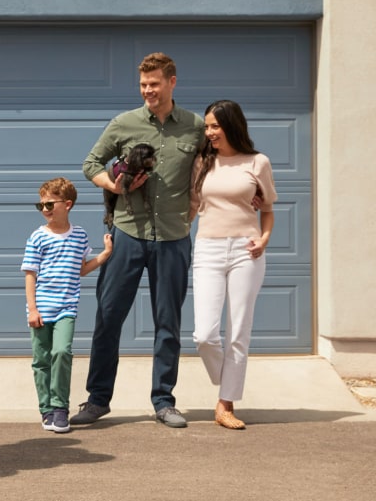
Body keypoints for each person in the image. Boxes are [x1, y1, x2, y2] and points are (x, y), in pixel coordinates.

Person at [72, 52, 205, 428]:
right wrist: (111, 183)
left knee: (168, 322)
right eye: (144, 85)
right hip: (128, 233)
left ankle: (164, 401)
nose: (148, 90)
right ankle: (98, 400)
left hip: (174, 238)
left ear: (172, 82)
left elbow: (213, 164)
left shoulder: (194, 127)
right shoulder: (124, 123)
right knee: (108, 317)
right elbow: (90, 164)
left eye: (155, 84)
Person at [189, 100, 277, 430]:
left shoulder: (257, 162)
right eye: (207, 126)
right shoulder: (202, 163)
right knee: (205, 335)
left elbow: (267, 209)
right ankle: (227, 380)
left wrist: (264, 239)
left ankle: (225, 403)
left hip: (246, 250)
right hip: (208, 249)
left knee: (239, 330)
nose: (209, 132)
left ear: (232, 125)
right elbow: (192, 206)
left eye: (215, 125)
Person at [21, 177, 113, 433]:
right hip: (41, 308)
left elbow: (81, 269)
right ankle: (46, 410)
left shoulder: (79, 235)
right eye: (41, 206)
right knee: (41, 360)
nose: (45, 210)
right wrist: (33, 309)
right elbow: (30, 274)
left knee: (61, 353)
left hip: (65, 309)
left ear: (68, 204)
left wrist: (104, 256)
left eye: (50, 204)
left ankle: (60, 407)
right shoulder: (38, 237)